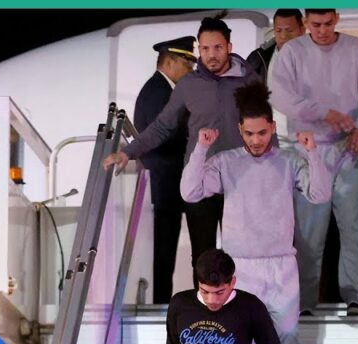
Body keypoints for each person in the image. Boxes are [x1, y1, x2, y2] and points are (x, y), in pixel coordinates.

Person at [180, 82, 331, 344]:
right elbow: (190, 192)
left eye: (262, 132)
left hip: (281, 263)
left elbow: (320, 195)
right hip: (241, 266)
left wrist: (313, 153)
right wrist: (201, 149)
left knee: (287, 332)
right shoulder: (226, 161)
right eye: (249, 133)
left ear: (272, 128)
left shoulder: (289, 160)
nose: (256, 140)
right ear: (240, 130)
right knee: (244, 342)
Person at [104, 15, 261, 284]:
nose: (211, 55)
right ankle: (204, 306)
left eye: (217, 47)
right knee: (202, 255)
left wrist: (272, 172)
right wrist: (128, 152)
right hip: (199, 179)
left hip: (240, 180)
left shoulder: (250, 81)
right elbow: (161, 126)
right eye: (205, 48)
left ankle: (241, 304)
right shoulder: (189, 85)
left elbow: (266, 128)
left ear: (229, 47)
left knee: (242, 252)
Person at [269, 8, 358, 317]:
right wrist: (324, 113)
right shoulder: (292, 52)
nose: (322, 30)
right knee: (308, 234)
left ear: (337, 19)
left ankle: (355, 296)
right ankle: (305, 301)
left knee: (353, 227)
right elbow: (281, 97)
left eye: (328, 24)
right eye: (316, 25)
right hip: (308, 151)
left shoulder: (355, 49)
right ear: (306, 23)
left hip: (348, 149)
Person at [131, 36, 198, 304]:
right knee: (163, 250)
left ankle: (164, 300)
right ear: (169, 62)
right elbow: (161, 134)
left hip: (170, 181)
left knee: (168, 248)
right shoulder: (157, 92)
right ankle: (161, 302)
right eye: (187, 64)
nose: (190, 70)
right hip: (164, 182)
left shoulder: (163, 89)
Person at [247, 9, 305, 147]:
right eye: (279, 30)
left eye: (289, 30)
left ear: (302, 30)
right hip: (274, 139)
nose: (284, 36)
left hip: (309, 138)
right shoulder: (258, 59)